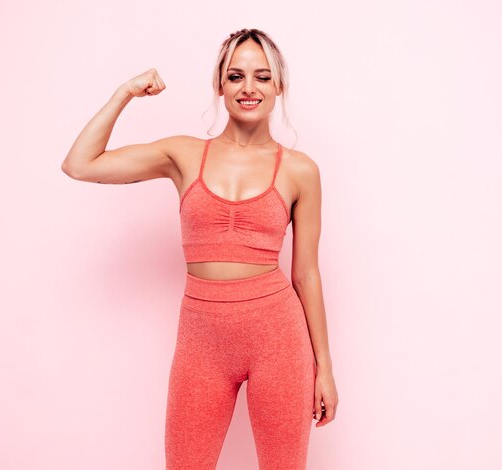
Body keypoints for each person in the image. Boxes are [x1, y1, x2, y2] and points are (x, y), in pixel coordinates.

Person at [61, 28, 338, 469]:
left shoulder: (301, 170)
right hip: (202, 339)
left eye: (263, 77)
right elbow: (79, 164)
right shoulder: (184, 154)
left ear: (279, 86)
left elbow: (306, 274)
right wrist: (124, 93)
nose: (249, 89)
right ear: (219, 85)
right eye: (236, 76)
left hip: (279, 337)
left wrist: (324, 367)